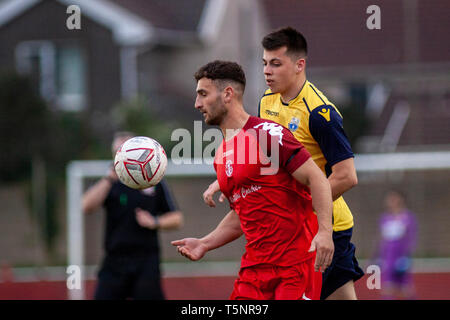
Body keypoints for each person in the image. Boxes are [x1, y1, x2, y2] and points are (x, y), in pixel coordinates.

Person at [203, 27, 364, 300]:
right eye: (265, 63)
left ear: (300, 65)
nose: (267, 71)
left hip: (327, 227)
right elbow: (265, 154)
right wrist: (224, 179)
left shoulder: (320, 114)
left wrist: (299, 204)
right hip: (291, 232)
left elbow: (347, 176)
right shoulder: (267, 100)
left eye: (276, 64)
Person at [172, 61, 334, 300]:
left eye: (203, 94)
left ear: (227, 94)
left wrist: (325, 232)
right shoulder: (221, 156)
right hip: (254, 271)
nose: (197, 104)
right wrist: (205, 243)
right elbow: (242, 214)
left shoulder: (266, 134)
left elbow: (316, 178)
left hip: (294, 267)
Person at [82, 131, 183, 300]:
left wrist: (154, 221)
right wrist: (109, 179)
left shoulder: (153, 179)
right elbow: (86, 206)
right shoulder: (108, 182)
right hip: (114, 260)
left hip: (146, 260)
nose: (122, 146)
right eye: (118, 144)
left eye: (127, 143)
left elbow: (177, 219)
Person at [377, 190, 417, 300]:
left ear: (400, 200)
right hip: (388, 258)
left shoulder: (408, 218)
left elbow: (411, 239)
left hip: (401, 258)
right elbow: (382, 241)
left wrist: (406, 257)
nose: (390, 202)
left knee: (406, 289)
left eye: (393, 198)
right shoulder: (384, 218)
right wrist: (379, 257)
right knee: (387, 289)